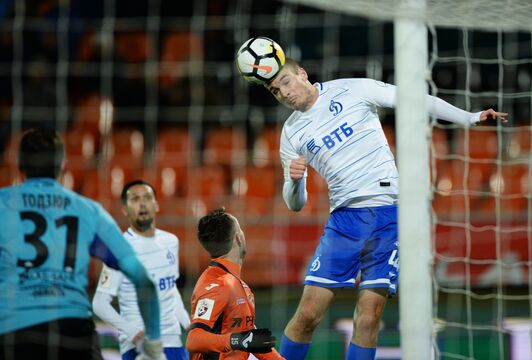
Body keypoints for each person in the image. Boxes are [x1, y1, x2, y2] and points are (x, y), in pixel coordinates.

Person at [264, 58, 508, 360]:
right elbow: (295, 204)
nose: (284, 93)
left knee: (368, 317)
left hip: (388, 214)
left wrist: (470, 117)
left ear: (302, 74)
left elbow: (415, 100)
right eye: (275, 91)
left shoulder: (353, 89)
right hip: (343, 221)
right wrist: (295, 181)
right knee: (308, 314)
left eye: (285, 82)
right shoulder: (290, 134)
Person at [0, 128, 164, 360]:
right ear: (64, 165)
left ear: (19, 165)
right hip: (73, 334)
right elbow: (142, 278)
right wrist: (154, 341)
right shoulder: (89, 211)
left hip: (14, 334)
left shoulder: (3, 204)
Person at [93, 180, 191, 360]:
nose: (143, 203)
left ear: (156, 204)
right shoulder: (119, 249)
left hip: (173, 342)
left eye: (147, 198)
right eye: (135, 199)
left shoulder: (171, 242)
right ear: (124, 209)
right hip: (139, 346)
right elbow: (100, 302)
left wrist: (189, 323)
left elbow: (170, 290)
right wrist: (131, 331)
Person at [185, 207, 283, 360]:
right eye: (241, 230)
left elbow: (251, 340)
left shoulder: (240, 285)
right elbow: (194, 339)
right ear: (238, 238)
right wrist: (238, 340)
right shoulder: (216, 283)